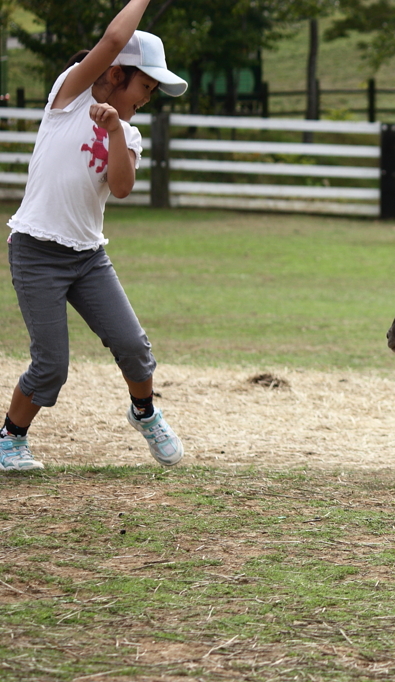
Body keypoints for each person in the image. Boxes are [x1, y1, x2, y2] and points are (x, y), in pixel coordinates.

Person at [0, 0, 189, 472]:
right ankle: (9, 439)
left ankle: (144, 413)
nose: (148, 95)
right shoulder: (69, 97)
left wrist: (114, 133)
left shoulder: (130, 133)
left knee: (134, 348)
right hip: (36, 250)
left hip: (87, 257)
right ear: (117, 73)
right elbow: (110, 41)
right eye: (146, 84)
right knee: (51, 366)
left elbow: (121, 188)